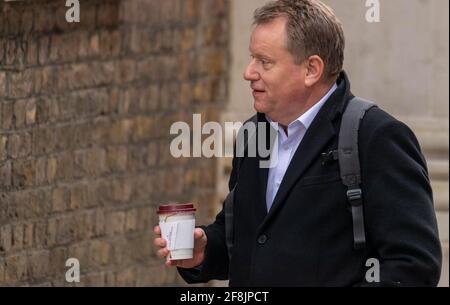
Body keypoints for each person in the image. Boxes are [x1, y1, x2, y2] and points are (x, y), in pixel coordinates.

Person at [153, 0, 442, 286]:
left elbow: (414, 267)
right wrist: (204, 252)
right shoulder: (254, 134)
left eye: (264, 61)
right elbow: (246, 241)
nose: (248, 72)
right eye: (252, 58)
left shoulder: (376, 137)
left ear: (311, 70)